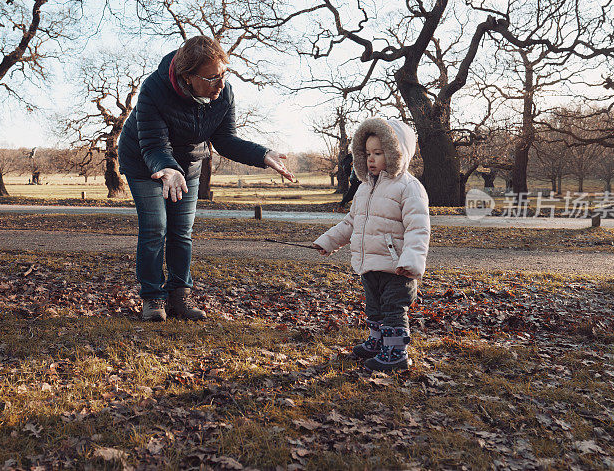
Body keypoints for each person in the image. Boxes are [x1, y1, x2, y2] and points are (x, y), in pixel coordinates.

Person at [118, 36, 294, 323]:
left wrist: (262, 154)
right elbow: (153, 145)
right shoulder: (153, 89)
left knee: (181, 232)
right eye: (212, 78)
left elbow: (225, 139)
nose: (220, 84)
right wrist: (167, 168)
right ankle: (152, 297)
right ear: (187, 77)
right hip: (145, 162)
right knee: (155, 227)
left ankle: (180, 296)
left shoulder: (223, 94)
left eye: (224, 74)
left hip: (188, 164)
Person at [313, 118, 430, 371]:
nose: (371, 159)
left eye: (378, 153)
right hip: (370, 264)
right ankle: (378, 343)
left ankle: (396, 352)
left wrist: (410, 262)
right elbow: (351, 222)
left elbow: (418, 229)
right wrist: (328, 242)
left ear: (396, 153)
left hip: (396, 267)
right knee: (375, 307)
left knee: (393, 309)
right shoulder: (365, 188)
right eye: (367, 153)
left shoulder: (409, 188)